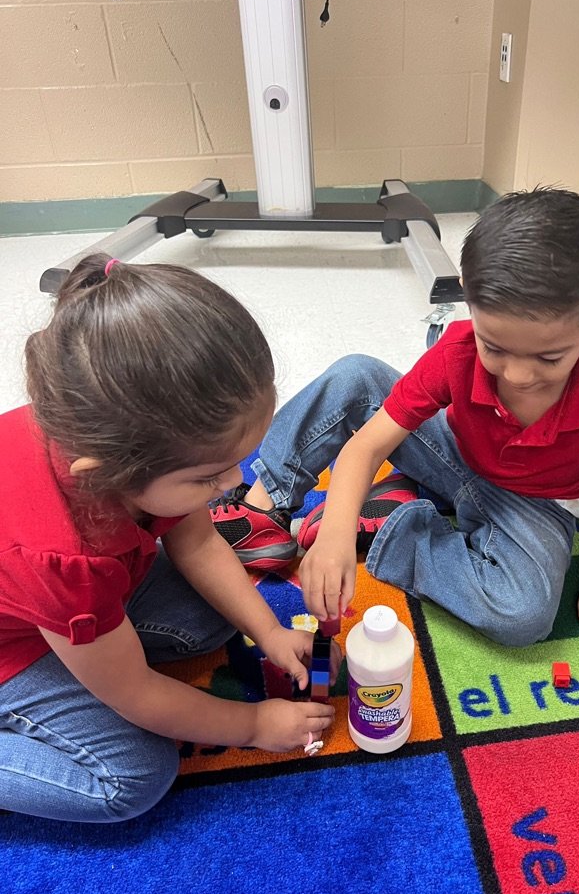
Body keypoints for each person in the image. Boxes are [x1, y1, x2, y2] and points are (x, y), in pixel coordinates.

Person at [212, 188, 579, 647]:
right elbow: (367, 446)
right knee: (355, 376)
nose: (519, 375)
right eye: (495, 348)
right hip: (453, 452)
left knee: (522, 616)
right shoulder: (457, 351)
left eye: (549, 357)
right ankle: (263, 507)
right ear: (468, 301)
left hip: (537, 502)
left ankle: (395, 523)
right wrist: (334, 539)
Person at [0, 255, 336, 824]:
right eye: (209, 477)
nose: (236, 484)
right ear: (107, 469)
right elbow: (136, 695)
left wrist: (271, 633)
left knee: (212, 619)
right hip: (18, 644)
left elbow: (200, 542)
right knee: (132, 779)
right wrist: (252, 725)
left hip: (71, 596)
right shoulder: (65, 559)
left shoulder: (117, 423)